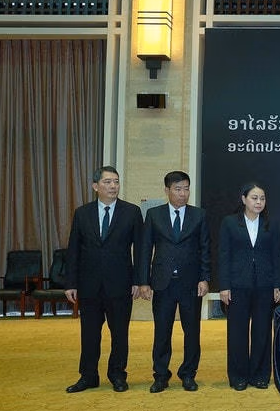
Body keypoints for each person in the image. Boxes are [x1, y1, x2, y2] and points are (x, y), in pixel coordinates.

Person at [63, 166, 144, 393]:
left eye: (116, 181)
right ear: (95, 186)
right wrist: (71, 283)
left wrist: (139, 280)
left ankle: (117, 374)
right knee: (89, 334)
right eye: (107, 182)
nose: (113, 186)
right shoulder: (82, 213)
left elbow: (140, 250)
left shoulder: (131, 212)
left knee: (119, 334)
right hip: (89, 285)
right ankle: (88, 376)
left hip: (120, 284)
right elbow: (73, 250)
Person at [139, 171, 211, 393]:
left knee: (192, 332)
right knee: (162, 331)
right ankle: (161, 375)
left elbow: (205, 249)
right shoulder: (154, 215)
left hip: (191, 283)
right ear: (167, 190)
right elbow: (145, 250)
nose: (183, 193)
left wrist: (205, 278)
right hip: (163, 283)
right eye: (178, 189)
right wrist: (144, 282)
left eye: (186, 189)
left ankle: (188, 374)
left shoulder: (199, 215)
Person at [218, 182, 280, 391]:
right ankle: (238, 376)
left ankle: (260, 375)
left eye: (262, 198)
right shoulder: (229, 223)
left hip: (265, 285)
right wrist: (224, 286)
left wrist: (277, 285)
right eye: (254, 198)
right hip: (237, 285)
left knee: (262, 331)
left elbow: (277, 256)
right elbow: (224, 255)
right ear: (244, 199)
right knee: (237, 332)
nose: (259, 202)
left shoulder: (270, 223)